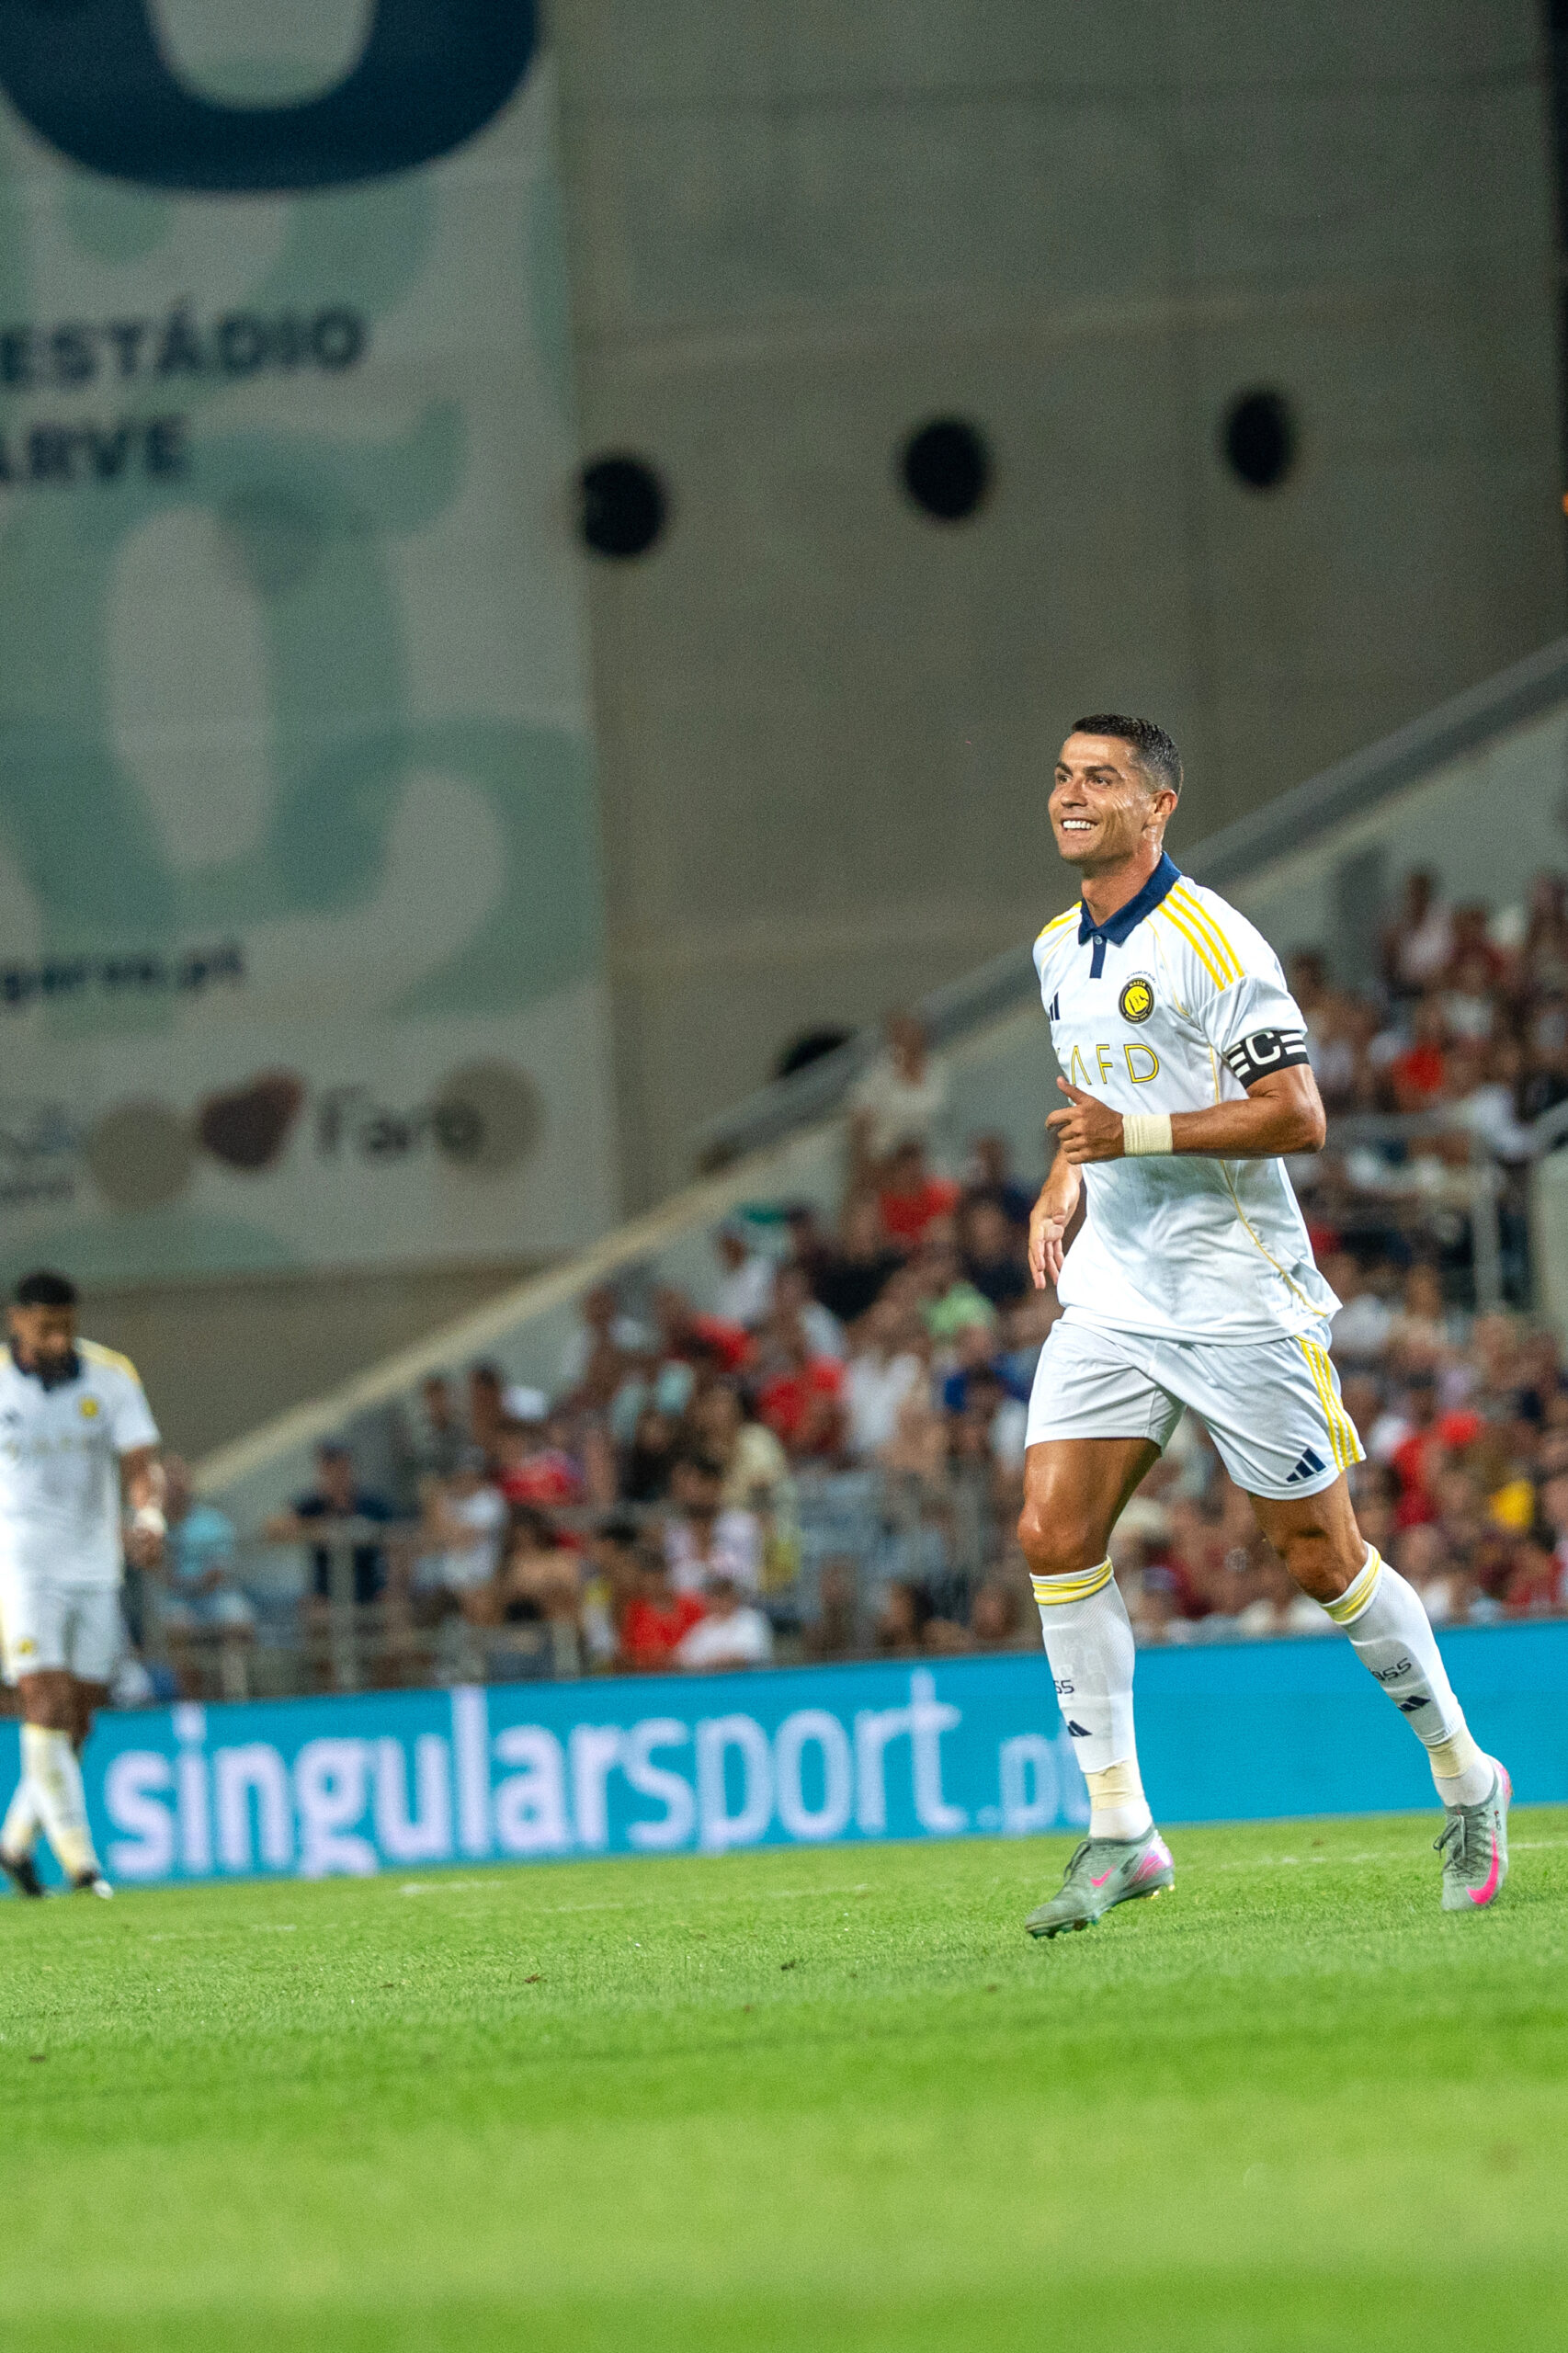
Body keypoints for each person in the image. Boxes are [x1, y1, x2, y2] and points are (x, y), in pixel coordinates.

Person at [1017, 716, 1507, 1939]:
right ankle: (1121, 1831)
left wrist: (1132, 1137)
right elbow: (1091, 1102)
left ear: (1157, 806)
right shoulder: (1053, 948)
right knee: (1051, 1530)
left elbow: (1296, 1115)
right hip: (1115, 1294)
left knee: (1319, 1559)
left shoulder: (1213, 942)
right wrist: (1062, 1184)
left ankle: (1467, 1778)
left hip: (1236, 1297)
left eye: (1101, 780)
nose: (1071, 795)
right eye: (1064, 776)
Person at [0, 1271, 164, 1899]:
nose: (58, 1339)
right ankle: (82, 1867)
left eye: (66, 1326)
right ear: (16, 1320)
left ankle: (15, 1842)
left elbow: (140, 1463)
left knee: (79, 1719)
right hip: (22, 1569)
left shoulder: (110, 1376)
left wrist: (148, 1516)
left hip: (94, 1568)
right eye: (45, 1327)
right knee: (42, 1703)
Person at [155, 1454, 255, 1699]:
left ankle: (232, 1696)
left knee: (236, 1620)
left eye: (179, 1478)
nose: (175, 1485)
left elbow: (217, 1573)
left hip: (215, 1596)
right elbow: (157, 1574)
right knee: (177, 1626)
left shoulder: (213, 1522)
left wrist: (186, 1583)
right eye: (168, 1480)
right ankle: (191, 1700)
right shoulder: (152, 1526)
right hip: (175, 1601)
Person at [264, 1442, 396, 1609]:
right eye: (330, 1470)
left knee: (395, 1606)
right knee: (313, 1611)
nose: (338, 1477)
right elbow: (273, 1526)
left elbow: (399, 1534)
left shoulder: (372, 1505)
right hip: (326, 1592)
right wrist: (317, 1527)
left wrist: (392, 1586)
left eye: (343, 1469)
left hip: (370, 1587)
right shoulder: (313, 1506)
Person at [674, 1574, 774, 1670]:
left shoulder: (752, 1619)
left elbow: (752, 1652)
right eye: (715, 1596)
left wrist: (719, 1660)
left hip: (747, 1678)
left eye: (723, 1595)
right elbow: (683, 1657)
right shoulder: (703, 1626)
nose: (719, 1600)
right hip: (711, 1679)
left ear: (734, 1596)